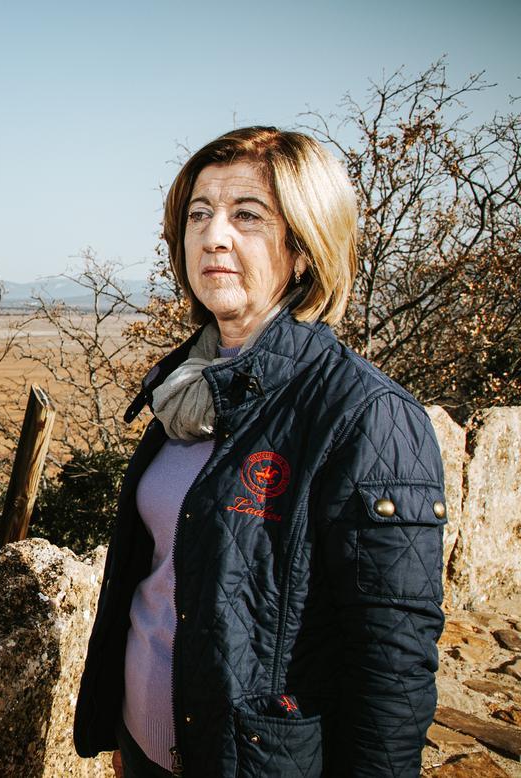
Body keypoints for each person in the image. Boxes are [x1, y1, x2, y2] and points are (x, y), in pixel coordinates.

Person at [73, 126, 446, 777]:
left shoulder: (364, 415)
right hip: (144, 749)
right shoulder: (189, 388)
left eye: (247, 215)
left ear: (302, 249)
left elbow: (394, 668)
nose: (213, 235)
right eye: (198, 214)